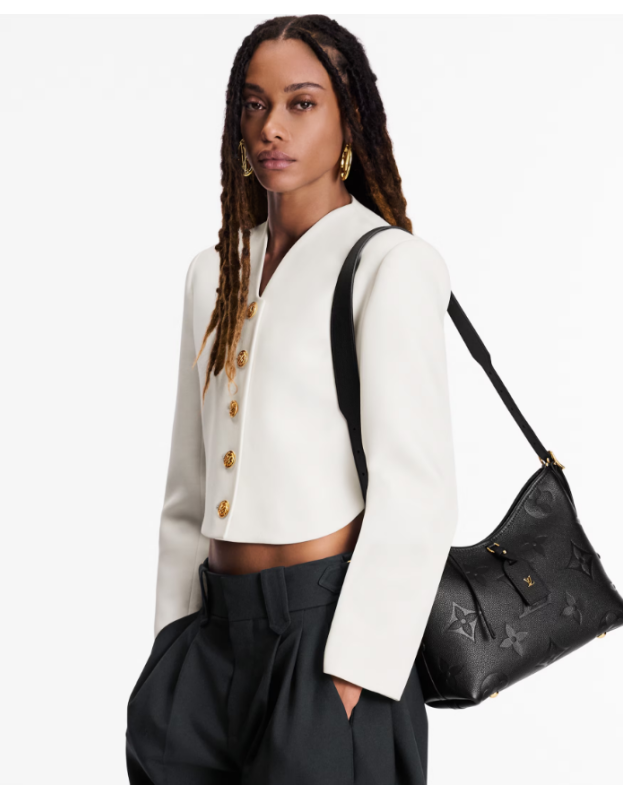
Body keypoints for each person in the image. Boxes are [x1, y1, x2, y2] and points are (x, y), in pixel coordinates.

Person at [125, 14, 458, 785]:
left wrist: (353, 675)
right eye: (254, 104)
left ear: (349, 117)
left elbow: (418, 489)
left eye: (301, 103)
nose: (270, 126)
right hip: (207, 641)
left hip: (328, 642)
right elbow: (188, 485)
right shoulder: (214, 273)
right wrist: (171, 642)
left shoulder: (389, 264)